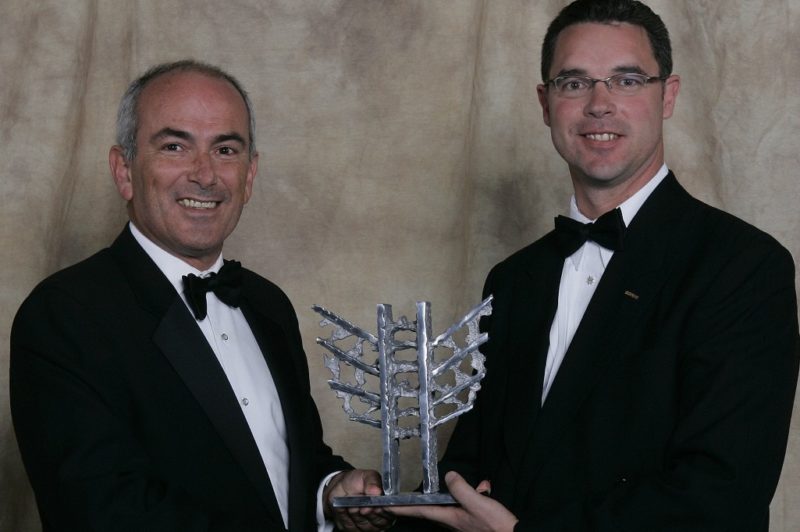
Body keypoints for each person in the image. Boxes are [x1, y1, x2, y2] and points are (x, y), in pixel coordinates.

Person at [392, 1, 799, 530]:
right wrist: (389, 507)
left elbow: (720, 497)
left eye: (627, 80)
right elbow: (473, 466)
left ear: (667, 95)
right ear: (546, 103)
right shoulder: (515, 279)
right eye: (574, 83)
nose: (599, 105)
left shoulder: (744, 266)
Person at [10, 60, 393, 532]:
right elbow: (103, 511)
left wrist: (331, 493)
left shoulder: (267, 304)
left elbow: (283, 466)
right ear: (124, 170)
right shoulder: (64, 315)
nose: (205, 175)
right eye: (174, 146)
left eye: (225, 150)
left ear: (249, 175)